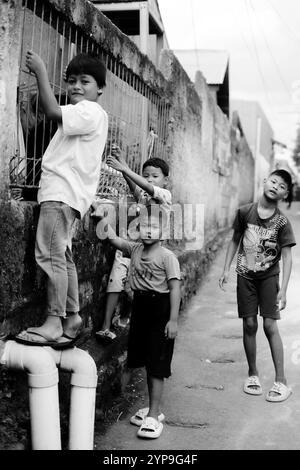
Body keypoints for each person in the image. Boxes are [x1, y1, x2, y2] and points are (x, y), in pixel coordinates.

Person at [15, 51, 108, 348]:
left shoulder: (90, 111)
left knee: (49, 255)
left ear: (99, 89)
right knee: (62, 258)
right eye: (71, 81)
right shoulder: (85, 115)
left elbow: (52, 111)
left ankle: (54, 321)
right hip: (67, 196)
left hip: (61, 195)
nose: (77, 86)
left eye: (85, 81)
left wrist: (41, 71)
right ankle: (72, 317)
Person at [92, 206, 181, 439]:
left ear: (164, 232)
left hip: (161, 310)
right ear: (139, 229)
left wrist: (173, 320)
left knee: (157, 363)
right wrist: (101, 219)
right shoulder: (136, 249)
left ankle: (153, 414)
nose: (150, 231)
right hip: (141, 308)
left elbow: (175, 289)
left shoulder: (167, 257)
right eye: (146, 226)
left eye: (155, 228)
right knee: (145, 359)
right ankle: (154, 408)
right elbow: (113, 239)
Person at [219, 169, 296, 402]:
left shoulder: (282, 222)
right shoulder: (244, 212)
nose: (275, 186)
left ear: (285, 195)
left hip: (269, 278)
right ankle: (252, 374)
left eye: (282, 186)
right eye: (273, 181)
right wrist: (226, 268)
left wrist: (283, 290)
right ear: (264, 181)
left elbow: (287, 257)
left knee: (270, 325)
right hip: (245, 276)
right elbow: (235, 240)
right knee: (249, 323)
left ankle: (281, 381)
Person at [95, 150, 172, 341]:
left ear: (165, 181)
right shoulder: (144, 197)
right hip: (132, 245)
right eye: (146, 175)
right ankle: (105, 326)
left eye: (155, 176)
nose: (150, 180)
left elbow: (144, 185)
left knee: (134, 291)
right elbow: (135, 187)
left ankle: (126, 316)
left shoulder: (165, 196)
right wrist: (123, 167)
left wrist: (126, 168)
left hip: (150, 255)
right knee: (116, 278)